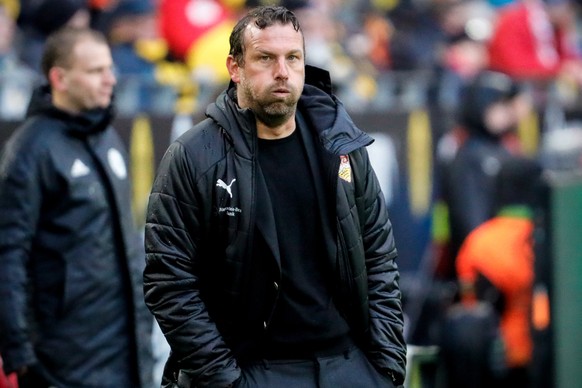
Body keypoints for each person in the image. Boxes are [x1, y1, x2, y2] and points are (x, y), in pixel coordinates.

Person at [143, 5, 407, 388]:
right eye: (265, 58)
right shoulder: (193, 156)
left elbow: (379, 256)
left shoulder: (341, 144)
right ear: (235, 68)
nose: (282, 72)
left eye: (293, 58)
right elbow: (168, 280)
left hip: (347, 367)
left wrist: (385, 366)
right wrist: (223, 379)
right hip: (250, 370)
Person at [0, 26, 153, 388]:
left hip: (128, 349)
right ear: (60, 78)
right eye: (96, 71)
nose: (110, 80)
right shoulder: (30, 152)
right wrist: (19, 351)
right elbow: (8, 255)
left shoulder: (107, 137)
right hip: (65, 359)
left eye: (110, 69)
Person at [453, 156, 544, 388]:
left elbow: (474, 311)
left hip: (499, 367)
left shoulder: (479, 243)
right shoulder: (555, 236)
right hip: (553, 358)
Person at [438, 70, 531, 280]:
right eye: (498, 105)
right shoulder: (471, 156)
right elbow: (473, 224)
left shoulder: (503, 147)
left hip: (512, 254)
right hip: (485, 265)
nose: (506, 112)